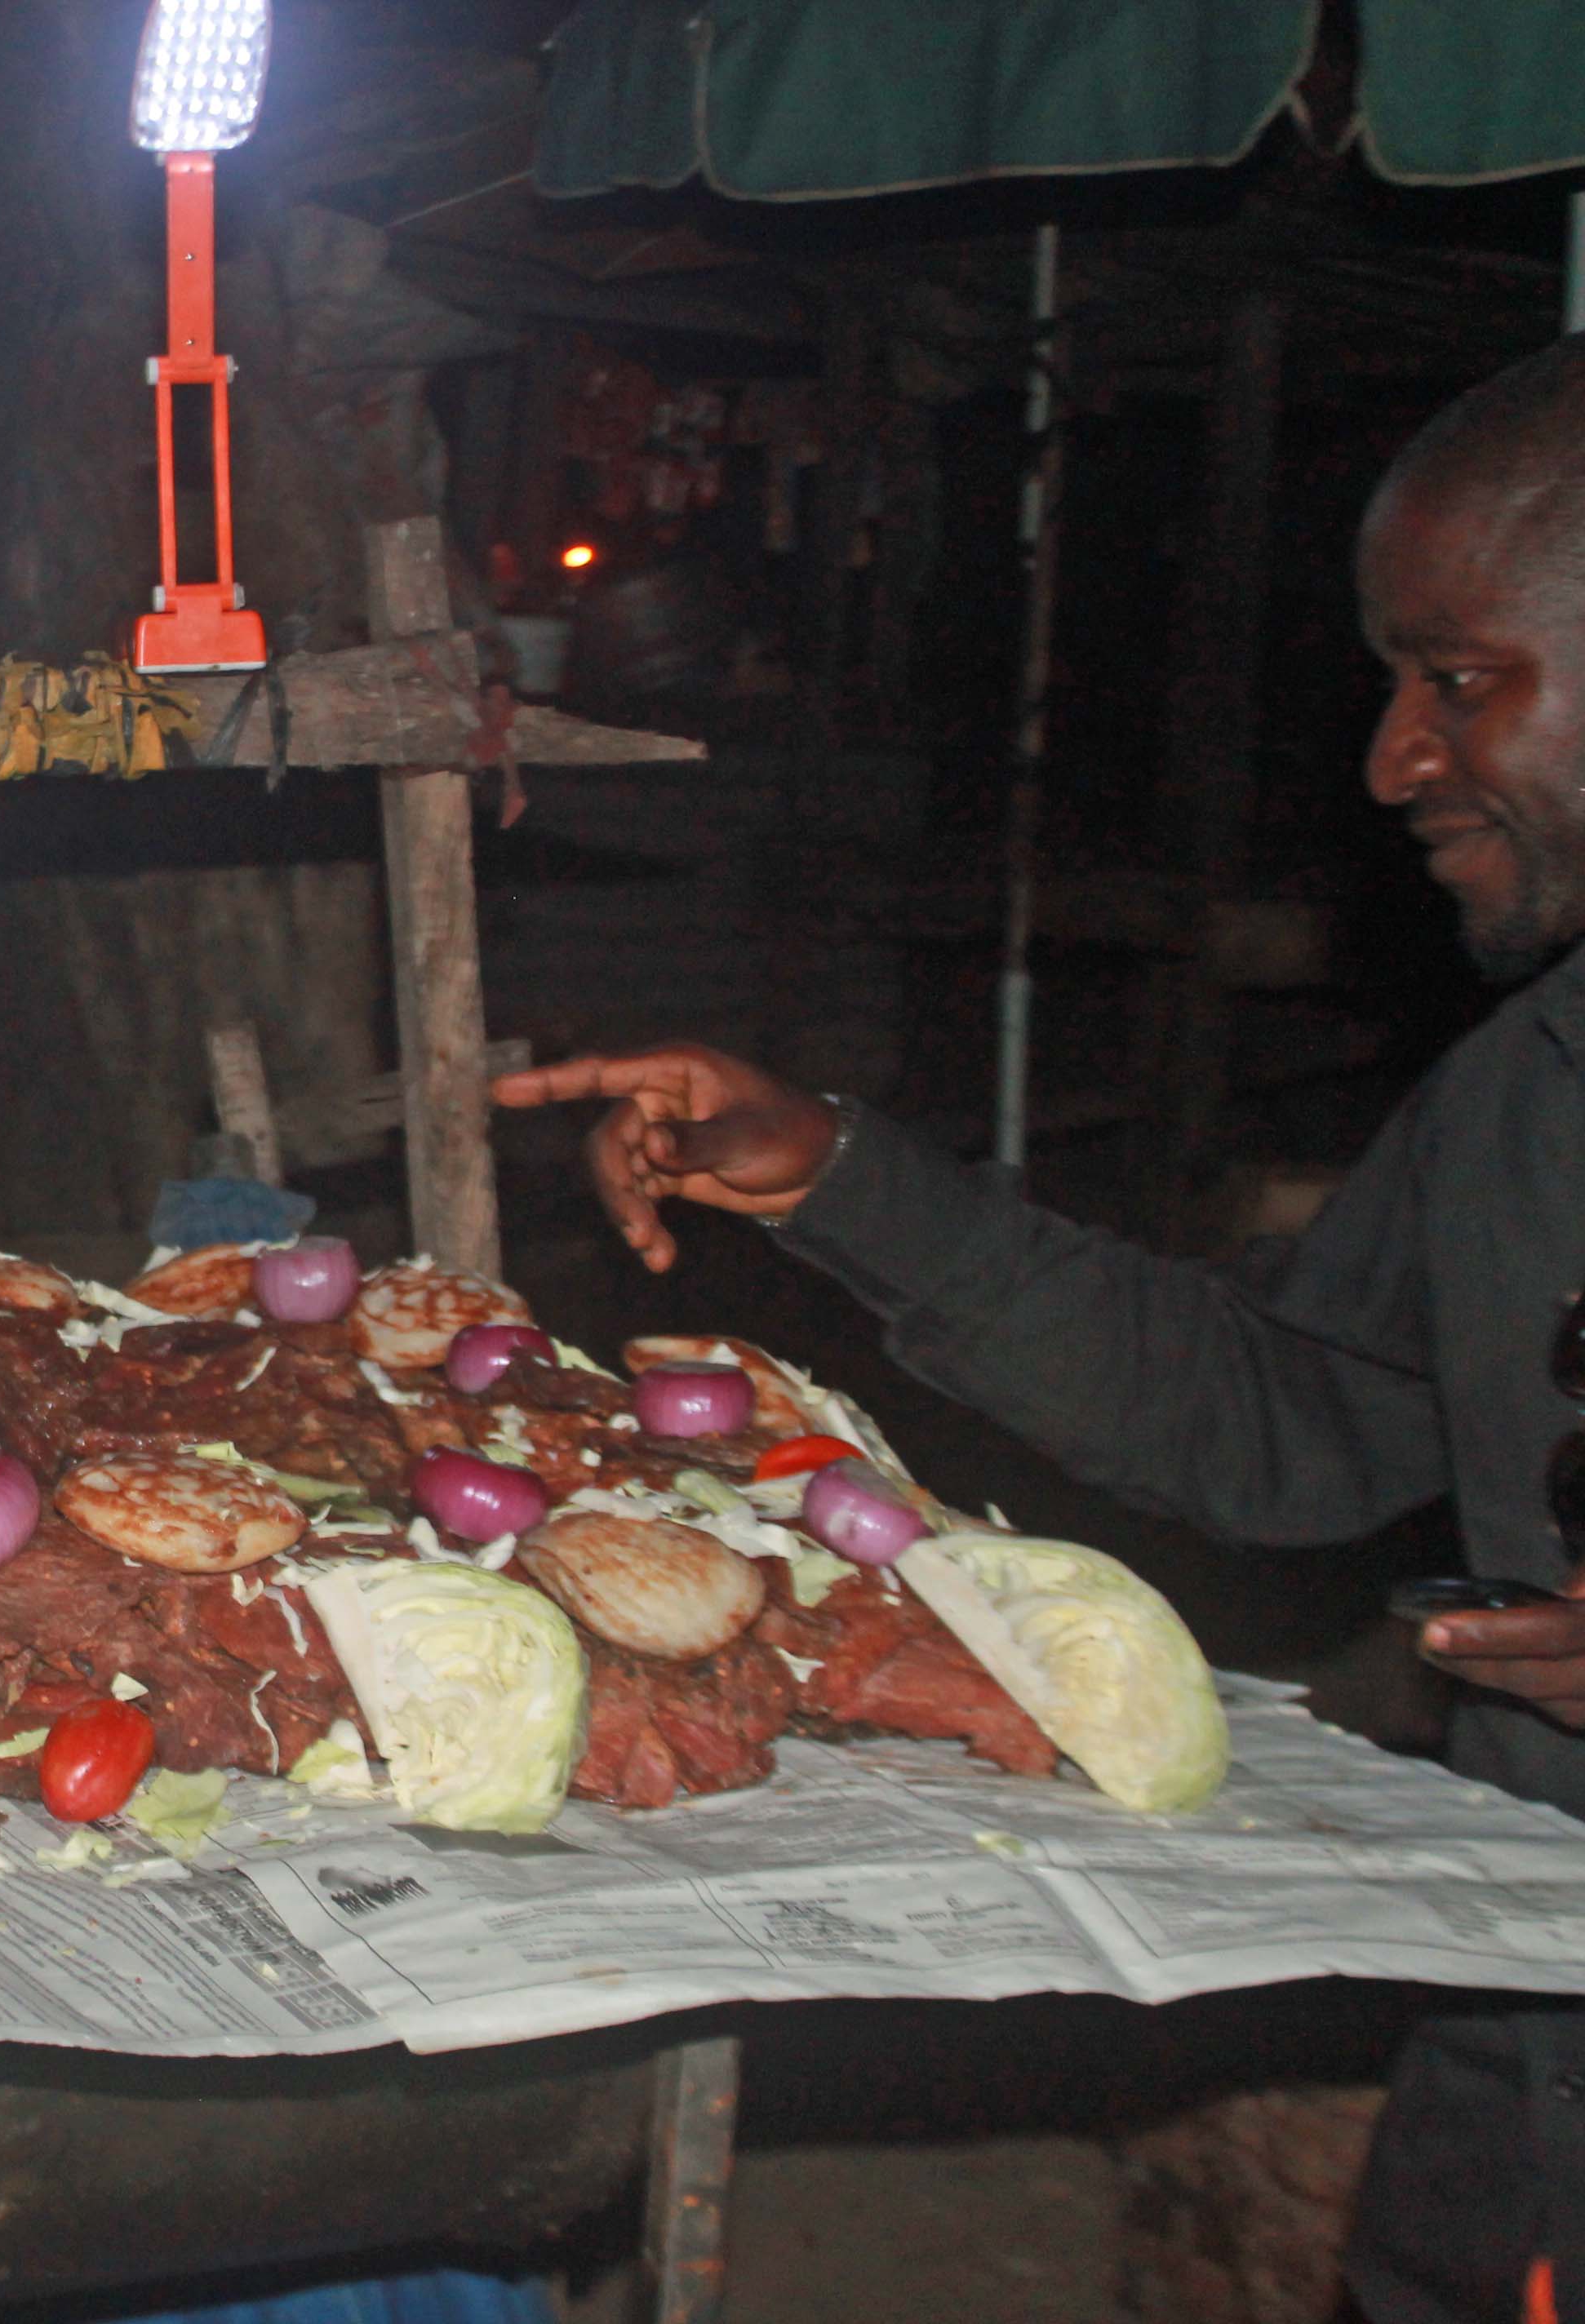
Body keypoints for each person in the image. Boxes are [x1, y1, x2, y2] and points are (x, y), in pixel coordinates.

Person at [495, 335, 1585, 2324]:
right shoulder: (1533, 1093)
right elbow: (1294, 1417)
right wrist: (837, 1173)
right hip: (1527, 2091)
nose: (1394, 761)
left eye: (1461, 679)